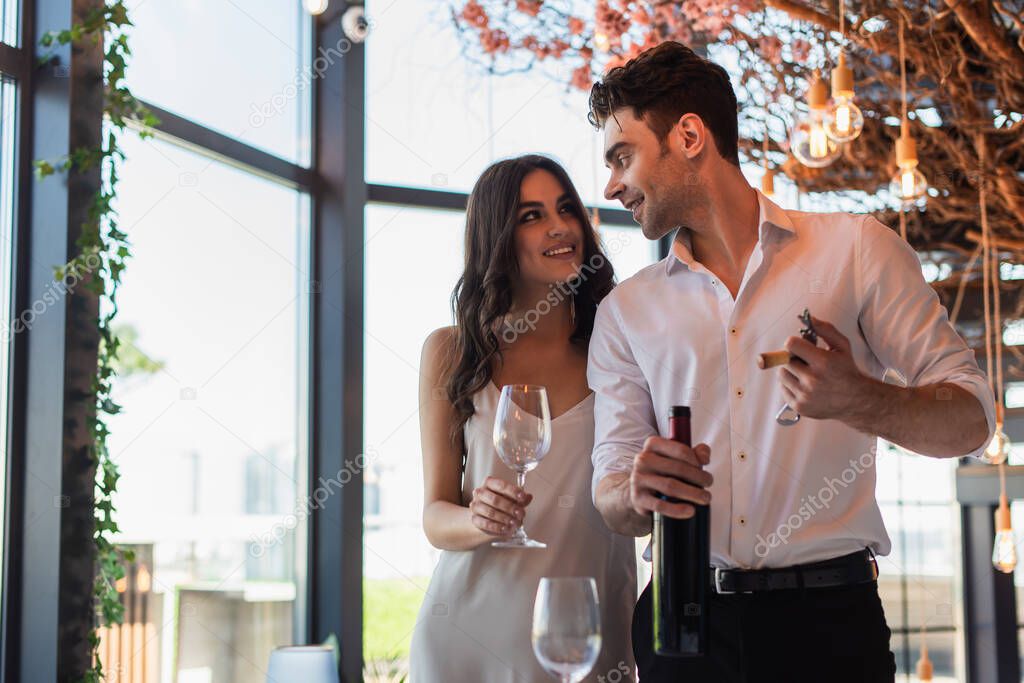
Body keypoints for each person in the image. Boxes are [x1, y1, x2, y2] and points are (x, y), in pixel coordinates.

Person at [584, 42, 995, 683]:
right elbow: (609, 490)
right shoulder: (625, 314)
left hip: (830, 629)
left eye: (622, 156)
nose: (610, 185)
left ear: (689, 135)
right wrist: (635, 491)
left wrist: (861, 398)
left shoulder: (856, 250)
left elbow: (971, 417)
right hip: (681, 629)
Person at [409, 154, 637, 683]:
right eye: (531, 216)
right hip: (466, 640)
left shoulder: (620, 346)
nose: (560, 228)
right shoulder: (451, 352)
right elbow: (434, 516)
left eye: (565, 209)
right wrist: (477, 519)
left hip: (587, 639)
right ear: (498, 237)